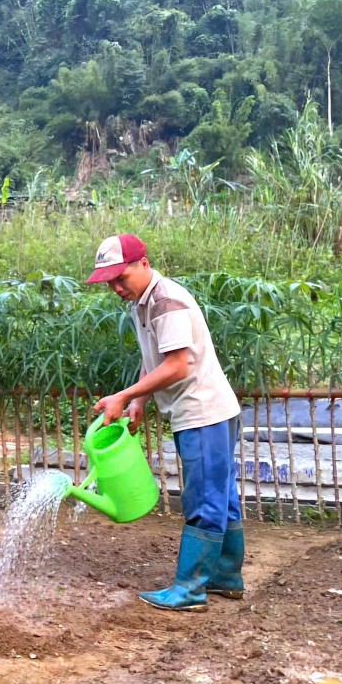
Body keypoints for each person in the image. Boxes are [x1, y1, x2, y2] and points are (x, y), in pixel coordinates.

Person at [86, 234, 244, 611]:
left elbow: (178, 365)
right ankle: (226, 577)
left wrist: (123, 395)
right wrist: (140, 399)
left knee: (204, 500)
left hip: (202, 412)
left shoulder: (166, 302)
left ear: (144, 263)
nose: (116, 287)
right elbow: (155, 357)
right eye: (109, 281)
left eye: (120, 277)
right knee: (221, 496)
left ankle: (190, 590)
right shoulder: (143, 303)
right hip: (208, 412)